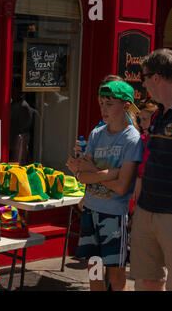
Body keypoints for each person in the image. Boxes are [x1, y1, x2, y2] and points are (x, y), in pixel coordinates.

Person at [66, 81, 143, 291]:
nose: (103, 109)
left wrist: (94, 172)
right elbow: (82, 176)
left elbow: (121, 187)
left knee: (116, 277)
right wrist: (110, 173)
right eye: (101, 103)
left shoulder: (132, 139)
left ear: (126, 106)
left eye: (109, 103)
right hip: (90, 211)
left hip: (114, 215)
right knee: (94, 271)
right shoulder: (96, 134)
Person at [130, 48, 172, 291]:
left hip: (169, 213)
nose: (143, 83)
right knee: (146, 281)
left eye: (143, 77)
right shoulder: (157, 114)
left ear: (156, 77)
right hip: (147, 209)